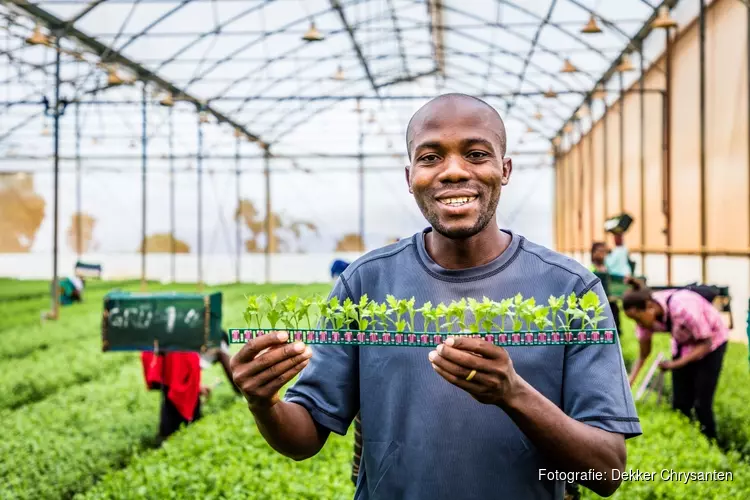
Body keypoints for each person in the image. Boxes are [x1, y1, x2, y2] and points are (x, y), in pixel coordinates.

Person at [230, 94, 640, 499]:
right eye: (431, 158)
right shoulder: (364, 283)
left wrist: (513, 392)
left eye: (477, 154)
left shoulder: (571, 289)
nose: (454, 171)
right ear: (410, 177)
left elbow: (605, 470)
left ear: (505, 168)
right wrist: (263, 402)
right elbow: (304, 437)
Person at [623, 285, 729, 440]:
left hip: (712, 344)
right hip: (684, 344)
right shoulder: (644, 322)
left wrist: (675, 364)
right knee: (680, 403)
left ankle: (711, 441)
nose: (638, 323)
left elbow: (706, 342)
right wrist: (627, 385)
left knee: (702, 403)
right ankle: (690, 440)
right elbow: (643, 355)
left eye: (638, 318)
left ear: (650, 307)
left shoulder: (683, 307)